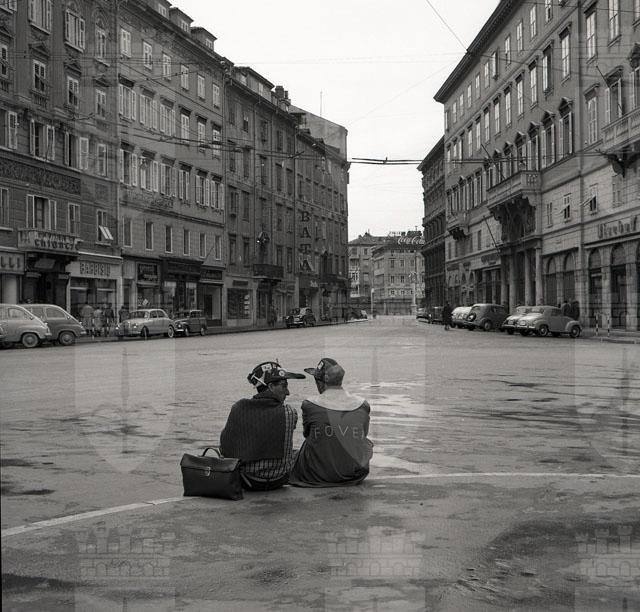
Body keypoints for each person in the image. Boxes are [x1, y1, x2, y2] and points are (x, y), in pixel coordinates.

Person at [220, 362, 305, 491]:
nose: (288, 392)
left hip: (247, 480)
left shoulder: (238, 408)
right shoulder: (289, 412)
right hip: (278, 479)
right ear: (270, 386)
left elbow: (224, 448)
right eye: (284, 386)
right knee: (297, 452)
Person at [289, 358, 374, 488]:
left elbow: (307, 434)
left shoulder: (309, 405)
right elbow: (363, 435)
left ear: (319, 382)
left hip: (318, 474)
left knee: (307, 446)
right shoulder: (363, 405)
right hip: (354, 474)